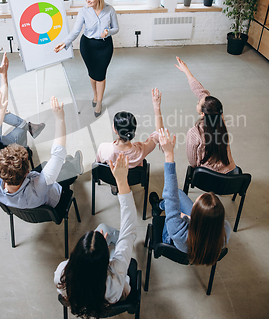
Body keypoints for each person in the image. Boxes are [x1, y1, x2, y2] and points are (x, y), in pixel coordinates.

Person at [54, 153, 136, 319]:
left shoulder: (62, 273)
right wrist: (121, 181)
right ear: (106, 260)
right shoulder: (117, 276)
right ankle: (111, 242)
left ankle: (107, 240)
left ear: (75, 255)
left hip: (89, 294)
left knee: (102, 229)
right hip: (117, 297)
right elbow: (130, 228)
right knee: (119, 240)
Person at [0, 91, 83, 208]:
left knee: (46, 165)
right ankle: (74, 167)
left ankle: (71, 164)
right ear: (27, 171)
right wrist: (60, 119)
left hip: (20, 206)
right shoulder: (40, 186)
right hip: (54, 199)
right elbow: (58, 155)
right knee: (62, 174)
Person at [150, 128, 231, 265]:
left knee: (176, 196)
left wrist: (169, 154)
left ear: (195, 214)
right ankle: (160, 205)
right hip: (193, 239)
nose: (193, 204)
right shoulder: (225, 230)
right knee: (178, 196)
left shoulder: (178, 230)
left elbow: (171, 195)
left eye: (194, 205)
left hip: (173, 241)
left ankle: (159, 206)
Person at [54, 0, 119, 118]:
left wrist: (108, 32)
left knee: (100, 75)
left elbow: (116, 28)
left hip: (105, 46)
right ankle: (95, 94)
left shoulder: (110, 10)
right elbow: (76, 31)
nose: (87, 0)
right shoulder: (83, 11)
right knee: (92, 73)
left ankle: (99, 101)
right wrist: (64, 42)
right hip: (88, 46)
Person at [175, 56, 237, 174]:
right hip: (229, 172)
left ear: (202, 113)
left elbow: (193, 163)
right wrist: (187, 72)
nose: (198, 101)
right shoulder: (220, 118)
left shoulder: (195, 133)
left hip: (206, 176)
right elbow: (202, 93)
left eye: (199, 103)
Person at [96, 88, 163, 194]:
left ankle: (114, 184)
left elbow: (99, 163)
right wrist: (156, 106)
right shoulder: (141, 149)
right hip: (134, 179)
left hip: (110, 176)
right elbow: (159, 134)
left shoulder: (103, 148)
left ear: (115, 129)